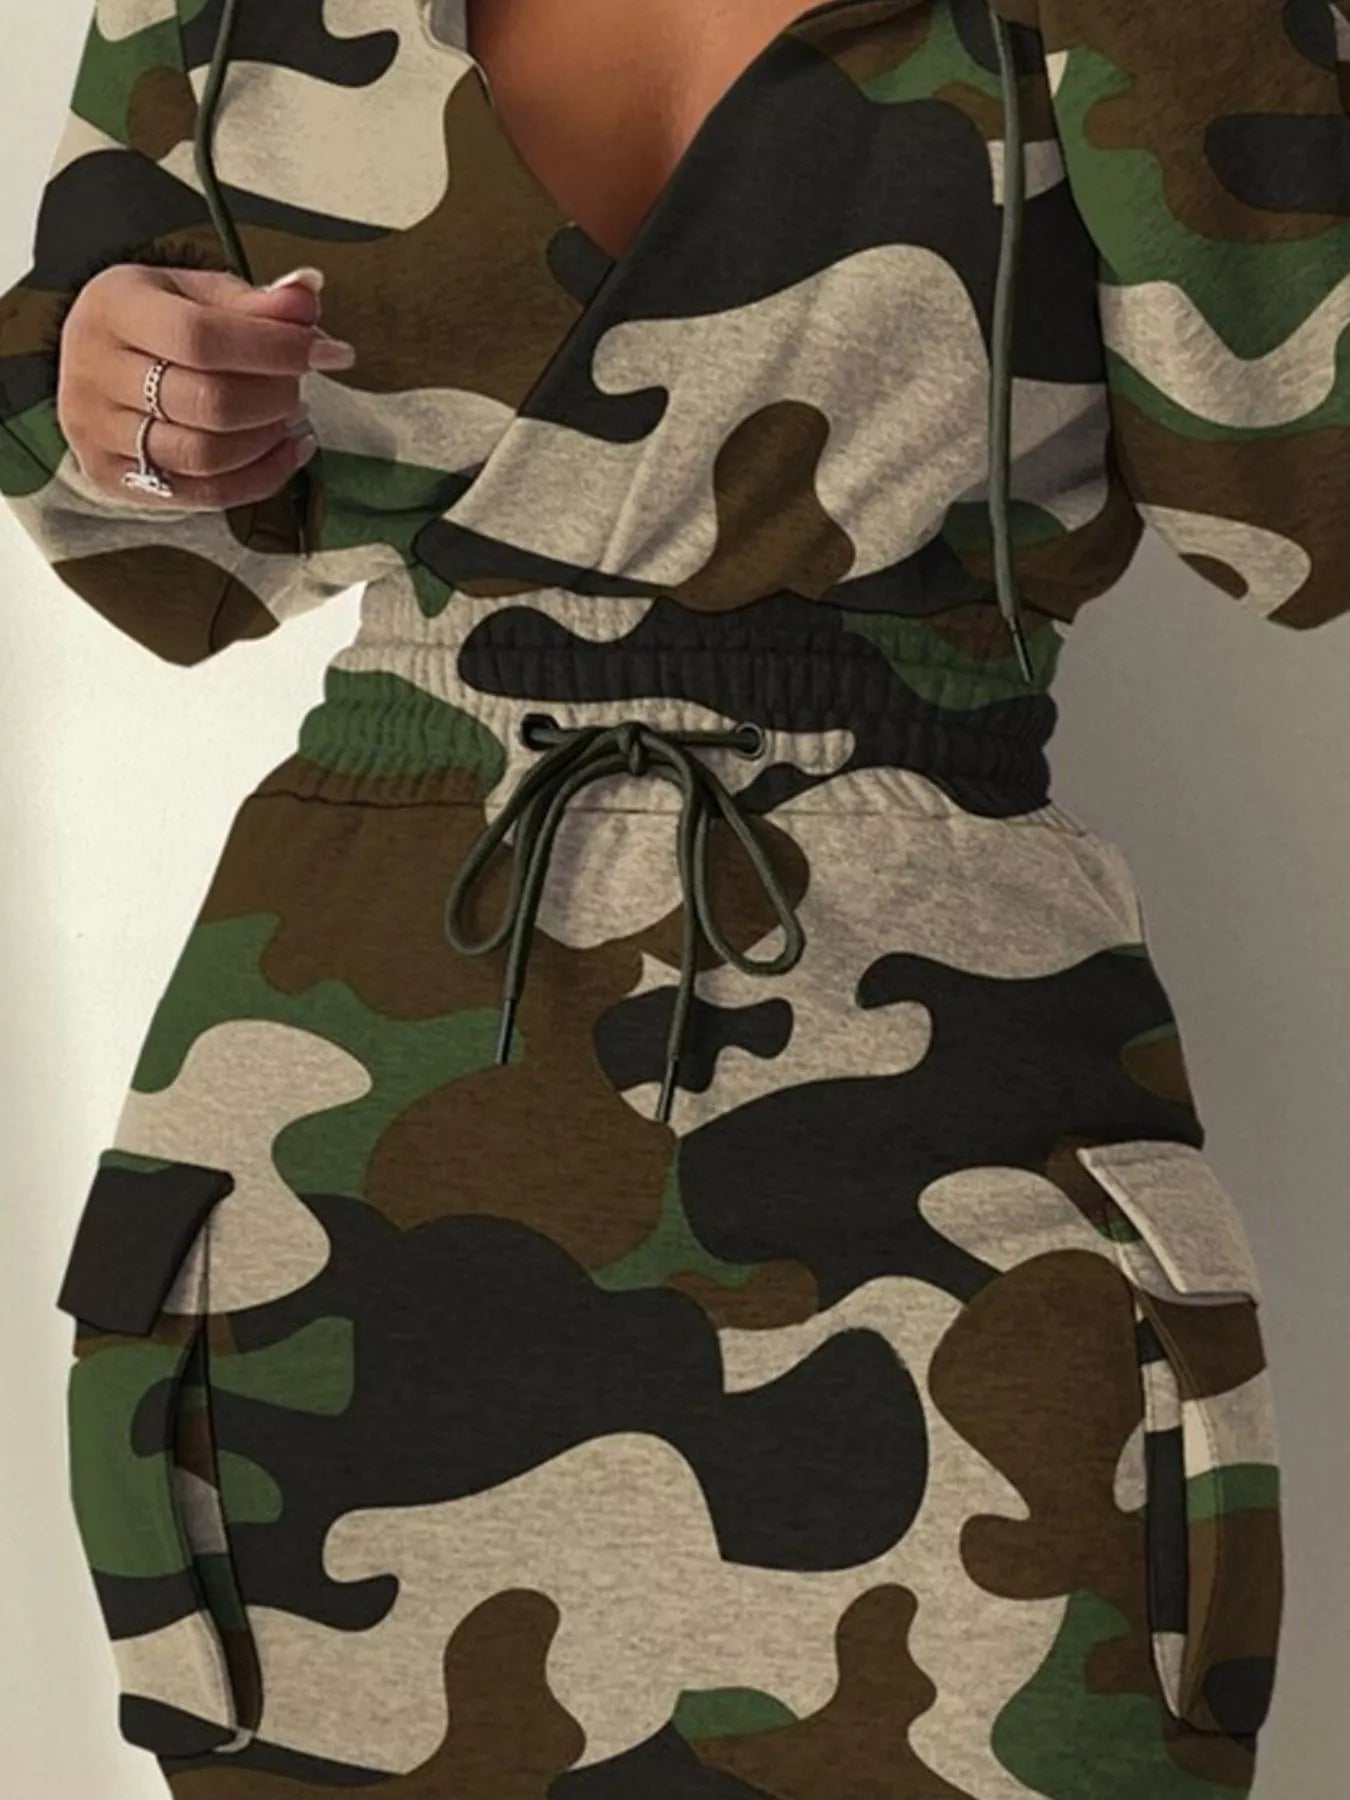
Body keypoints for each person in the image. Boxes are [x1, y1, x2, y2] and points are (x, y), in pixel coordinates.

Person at [1, 1, 1344, 1795]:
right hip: (362, 1134)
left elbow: (1297, 513)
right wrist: (117, 389)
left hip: (952, 1101)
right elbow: (166, 565)